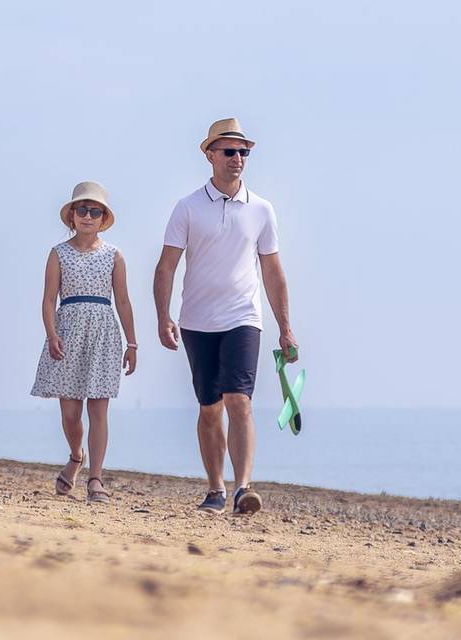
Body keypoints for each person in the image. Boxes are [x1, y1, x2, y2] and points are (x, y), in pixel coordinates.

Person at [153, 118, 298, 515]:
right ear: (210, 155)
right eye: (230, 151)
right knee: (209, 407)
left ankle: (243, 488)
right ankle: (215, 489)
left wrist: (285, 328)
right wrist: (163, 316)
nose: (237, 159)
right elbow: (166, 266)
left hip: (244, 317)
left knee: (240, 401)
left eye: (244, 152)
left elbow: (273, 270)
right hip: (197, 321)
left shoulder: (262, 209)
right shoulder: (187, 207)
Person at [31, 181, 137, 503]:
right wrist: (51, 333)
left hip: (103, 332)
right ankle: (76, 455)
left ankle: (96, 479)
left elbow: (123, 301)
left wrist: (132, 344)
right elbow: (49, 299)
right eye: (82, 210)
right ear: (72, 217)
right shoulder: (58, 253)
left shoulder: (114, 255)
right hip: (67, 332)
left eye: (95, 211)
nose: (88, 216)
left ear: (103, 217)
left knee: (99, 409)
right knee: (70, 413)